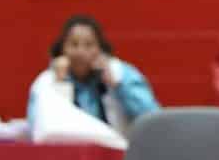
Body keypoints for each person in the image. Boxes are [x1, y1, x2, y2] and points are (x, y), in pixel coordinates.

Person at [27, 14, 160, 135]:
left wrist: (118, 86)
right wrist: (60, 84)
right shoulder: (47, 81)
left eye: (89, 45)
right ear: (61, 49)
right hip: (69, 149)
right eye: (73, 44)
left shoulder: (120, 74)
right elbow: (40, 129)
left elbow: (153, 118)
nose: (80, 52)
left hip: (116, 147)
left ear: (101, 49)